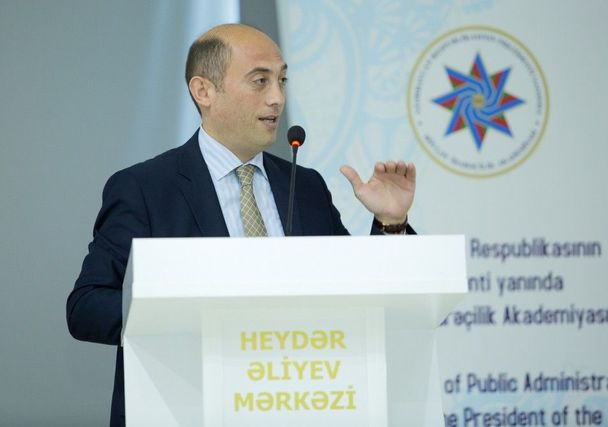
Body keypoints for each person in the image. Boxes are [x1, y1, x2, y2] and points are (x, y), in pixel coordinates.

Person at [67, 23, 416, 426]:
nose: (277, 97)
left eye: (282, 80)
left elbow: (361, 295)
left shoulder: (305, 186)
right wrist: (193, 316)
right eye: (259, 80)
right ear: (204, 91)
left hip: (305, 406)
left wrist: (391, 222)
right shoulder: (145, 188)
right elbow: (86, 307)